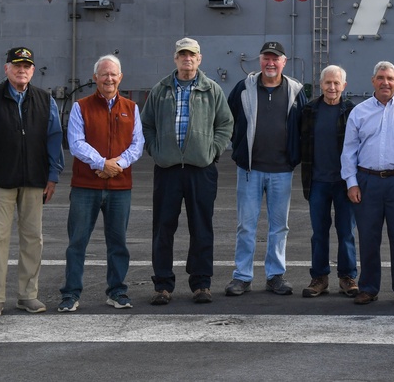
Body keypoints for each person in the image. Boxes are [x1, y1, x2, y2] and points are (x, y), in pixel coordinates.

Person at [0, 47, 64, 318]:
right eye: (17, 65)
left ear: (33, 71)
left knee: (33, 239)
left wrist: (53, 175)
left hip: (35, 180)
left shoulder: (45, 100)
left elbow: (54, 139)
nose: (22, 70)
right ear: (6, 68)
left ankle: (27, 296)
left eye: (27, 66)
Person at [141, 37, 234, 305]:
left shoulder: (212, 90)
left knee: (201, 227)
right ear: (175, 58)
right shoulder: (160, 90)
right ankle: (162, 285)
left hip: (200, 170)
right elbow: (146, 125)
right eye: (182, 55)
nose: (187, 59)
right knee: (163, 228)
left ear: (199, 58)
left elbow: (225, 124)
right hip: (168, 169)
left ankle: (201, 284)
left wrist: (212, 151)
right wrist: (156, 150)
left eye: (192, 55)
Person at [58, 55, 144, 312]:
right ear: (95, 78)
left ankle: (117, 292)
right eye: (104, 74)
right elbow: (76, 143)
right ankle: (71, 294)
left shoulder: (132, 107)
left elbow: (137, 144)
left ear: (121, 77)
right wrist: (102, 163)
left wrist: (116, 165)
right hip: (86, 187)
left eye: (113, 74)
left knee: (118, 243)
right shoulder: (79, 106)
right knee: (77, 243)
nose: (109, 78)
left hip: (120, 188)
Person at [341, 61, 394, 306]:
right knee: (368, 237)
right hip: (367, 181)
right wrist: (351, 183)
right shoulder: (359, 112)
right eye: (380, 77)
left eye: (390, 78)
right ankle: (368, 288)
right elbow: (349, 150)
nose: (385, 82)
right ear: (373, 81)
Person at [226, 40, 306, 296]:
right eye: (266, 58)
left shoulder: (295, 90)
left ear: (284, 62)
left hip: (282, 170)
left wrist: (295, 156)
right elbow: (228, 119)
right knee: (246, 226)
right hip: (250, 170)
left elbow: (303, 126)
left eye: (275, 59)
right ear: (259, 60)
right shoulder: (243, 88)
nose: (270, 63)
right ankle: (242, 276)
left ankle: (275, 275)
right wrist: (238, 148)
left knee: (279, 226)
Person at [299, 65, 359, 298]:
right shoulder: (309, 110)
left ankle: (347, 276)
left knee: (346, 232)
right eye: (328, 83)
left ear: (344, 86)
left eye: (336, 83)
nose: (332, 87)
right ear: (320, 85)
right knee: (319, 232)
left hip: (345, 182)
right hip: (317, 182)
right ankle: (319, 277)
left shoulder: (353, 111)